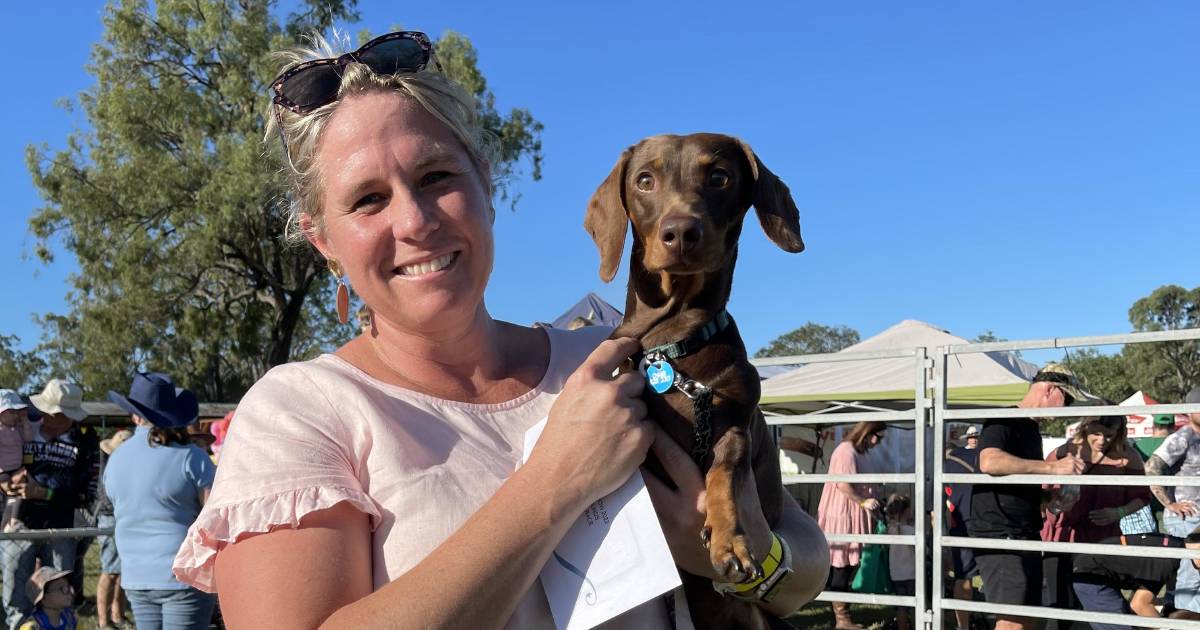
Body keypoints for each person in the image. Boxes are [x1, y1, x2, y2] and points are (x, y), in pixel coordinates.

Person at [169, 30, 828, 628]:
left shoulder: (619, 354)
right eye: (368, 199)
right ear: (323, 242)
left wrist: (741, 559)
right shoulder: (300, 415)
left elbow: (804, 562)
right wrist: (555, 481)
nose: (416, 221)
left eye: (437, 178)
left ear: (485, 184)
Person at [970, 363, 1097, 630]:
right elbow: (989, 462)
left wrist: (1046, 499)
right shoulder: (1003, 418)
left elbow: (1016, 478)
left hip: (1023, 532)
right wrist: (1052, 467)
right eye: (1068, 399)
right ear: (1050, 389)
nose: (1066, 408)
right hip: (1000, 533)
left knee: (1026, 618)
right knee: (1012, 622)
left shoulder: (1031, 429)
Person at [104, 373, 216, 630]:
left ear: (134, 415)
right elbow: (215, 514)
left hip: (136, 576)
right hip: (185, 575)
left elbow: (115, 501)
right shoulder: (193, 457)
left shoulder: (116, 458)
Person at [0, 379, 97, 630]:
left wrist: (46, 493)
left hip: (61, 527)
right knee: (15, 592)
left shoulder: (84, 442)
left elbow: (83, 492)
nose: (53, 419)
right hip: (18, 526)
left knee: (59, 593)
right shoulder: (21, 430)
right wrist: (5, 483)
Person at [1041, 414, 1150, 628]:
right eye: (1096, 434)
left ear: (1120, 432)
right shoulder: (1065, 452)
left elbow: (1142, 497)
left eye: (1109, 435)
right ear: (1085, 429)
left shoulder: (1127, 457)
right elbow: (1041, 490)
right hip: (1063, 536)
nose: (1102, 440)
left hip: (1101, 540)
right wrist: (1055, 502)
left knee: (1100, 598)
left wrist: (1118, 512)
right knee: (1059, 602)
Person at [817, 420, 887, 629]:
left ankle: (842, 616)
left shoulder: (861, 452)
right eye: (876, 436)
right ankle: (842, 619)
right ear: (866, 432)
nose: (877, 441)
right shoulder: (846, 451)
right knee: (841, 566)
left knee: (848, 567)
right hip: (842, 515)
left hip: (854, 514)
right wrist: (862, 501)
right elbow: (843, 484)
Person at [1072, 532, 1200, 630]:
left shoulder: (1175, 546)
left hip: (1095, 567)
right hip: (1091, 573)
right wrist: (1164, 627)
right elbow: (1139, 604)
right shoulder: (1168, 559)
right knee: (1120, 624)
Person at [1146, 386, 1200, 616]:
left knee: (1189, 577)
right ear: (1189, 411)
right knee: (1189, 577)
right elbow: (1152, 467)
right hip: (1186, 517)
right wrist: (1170, 503)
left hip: (1195, 519)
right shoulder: (1183, 436)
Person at [95, 429, 133, 630]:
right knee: (110, 571)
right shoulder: (109, 469)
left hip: (123, 518)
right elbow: (106, 498)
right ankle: (103, 620)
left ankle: (118, 615)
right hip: (111, 519)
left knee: (122, 572)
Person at [944, 427, 981, 630]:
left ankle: (963, 625)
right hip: (987, 520)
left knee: (964, 576)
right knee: (994, 575)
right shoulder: (990, 454)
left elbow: (941, 497)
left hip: (962, 523)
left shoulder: (950, 461)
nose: (974, 440)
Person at [0, 391, 34, 531]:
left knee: (23, 491)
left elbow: (29, 438)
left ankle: (14, 521)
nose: (16, 415)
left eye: (17, 412)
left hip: (18, 469)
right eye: (12, 412)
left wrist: (25, 420)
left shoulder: (18, 428)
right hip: (3, 471)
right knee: (10, 494)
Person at [886, 493, 916, 630]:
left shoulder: (890, 529)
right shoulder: (911, 531)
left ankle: (902, 627)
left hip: (896, 573)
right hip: (911, 573)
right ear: (906, 511)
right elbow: (924, 551)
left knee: (901, 604)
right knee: (915, 603)